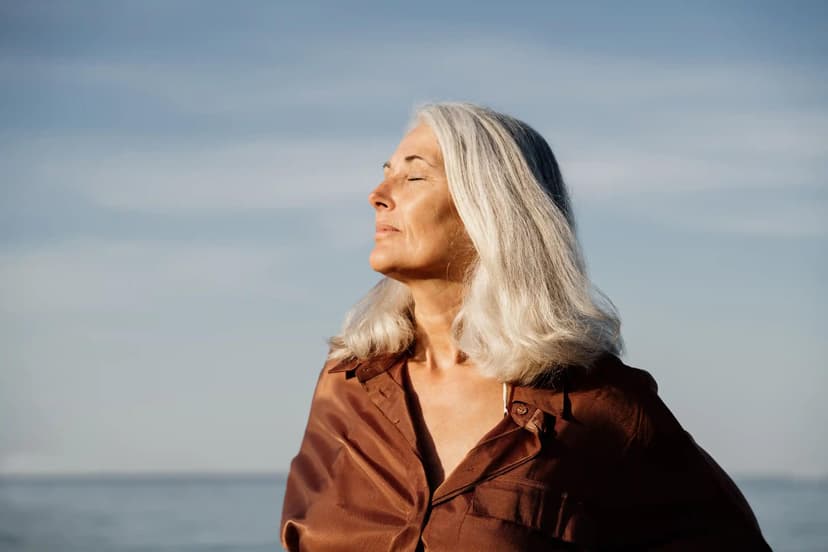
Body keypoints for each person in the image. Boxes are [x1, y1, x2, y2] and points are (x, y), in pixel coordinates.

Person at [280, 102, 771, 551]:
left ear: (490, 208)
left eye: (414, 178)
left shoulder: (600, 405)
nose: (377, 195)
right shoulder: (346, 383)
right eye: (385, 174)